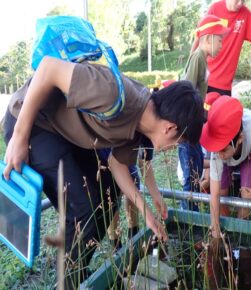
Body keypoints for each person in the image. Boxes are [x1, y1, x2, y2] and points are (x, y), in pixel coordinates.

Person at [2, 56, 204, 287]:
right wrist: (19, 136)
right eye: (178, 143)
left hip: (65, 133)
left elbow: (118, 167)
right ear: (170, 128)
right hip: (33, 121)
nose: (172, 149)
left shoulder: (138, 129)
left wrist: (146, 213)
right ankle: (67, 281)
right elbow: (48, 68)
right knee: (84, 208)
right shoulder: (113, 93)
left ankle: (75, 272)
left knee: (107, 196)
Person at [200, 92, 251, 238]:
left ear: (240, 138)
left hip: (248, 154)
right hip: (228, 159)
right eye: (217, 149)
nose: (219, 153)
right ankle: (227, 227)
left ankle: (240, 231)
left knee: (248, 194)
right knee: (221, 193)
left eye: (223, 149)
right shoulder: (219, 150)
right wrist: (215, 227)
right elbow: (214, 193)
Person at [178, 14, 229, 210]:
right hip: (188, 129)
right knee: (190, 175)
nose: (221, 45)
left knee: (196, 170)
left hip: (195, 127)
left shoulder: (203, 60)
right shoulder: (197, 57)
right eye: (219, 40)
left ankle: (193, 212)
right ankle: (187, 217)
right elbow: (187, 92)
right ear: (207, 38)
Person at [191, 0, 251, 97]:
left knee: (223, 111)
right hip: (204, 79)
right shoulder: (215, 8)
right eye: (237, 0)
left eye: (243, 1)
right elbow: (200, 35)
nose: (240, 3)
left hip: (224, 85)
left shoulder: (245, 14)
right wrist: (189, 65)